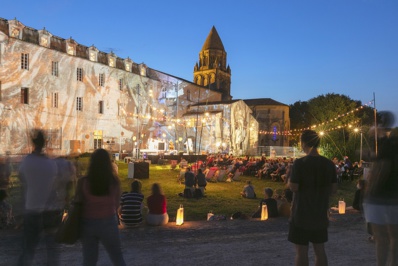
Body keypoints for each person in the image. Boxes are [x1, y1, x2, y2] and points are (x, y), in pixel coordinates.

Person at [288, 130, 337, 266]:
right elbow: (333, 190)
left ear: (303, 143)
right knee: (320, 250)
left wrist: (288, 181)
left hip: (301, 213)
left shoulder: (300, 163)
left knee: (301, 251)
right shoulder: (329, 164)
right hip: (320, 212)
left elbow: (294, 187)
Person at [18, 129, 59, 266]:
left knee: (29, 248)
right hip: (49, 210)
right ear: (45, 143)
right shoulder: (51, 164)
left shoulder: (26, 162)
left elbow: (21, 179)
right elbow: (54, 185)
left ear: (33, 142)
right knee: (51, 249)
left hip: (31, 209)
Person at [80, 148, 126, 266]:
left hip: (88, 222)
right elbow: (116, 204)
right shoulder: (113, 181)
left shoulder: (84, 181)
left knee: (89, 260)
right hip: (108, 221)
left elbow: (79, 202)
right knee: (117, 257)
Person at [363, 134, 398, 266]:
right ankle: (394, 262)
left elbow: (373, 183)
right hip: (395, 200)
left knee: (381, 239)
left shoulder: (381, 162)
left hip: (376, 201)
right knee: (395, 237)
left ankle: (381, 264)